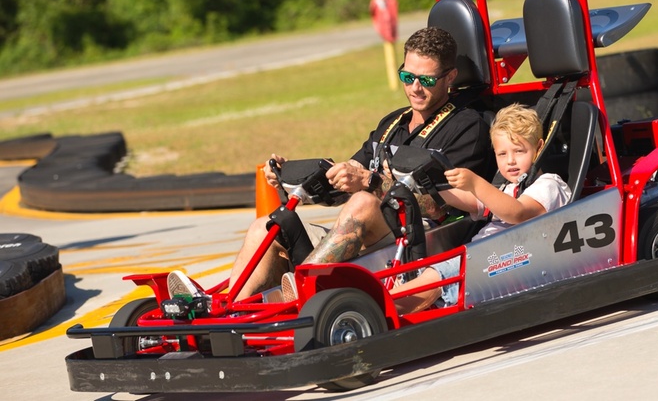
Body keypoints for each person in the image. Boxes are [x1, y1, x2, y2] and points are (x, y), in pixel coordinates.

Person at [168, 27, 494, 302]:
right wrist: (288, 178)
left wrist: (371, 183)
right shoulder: (392, 123)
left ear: (450, 77)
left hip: (420, 237)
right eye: (407, 77)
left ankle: (304, 291)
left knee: (364, 201)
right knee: (267, 226)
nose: (415, 88)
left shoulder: (467, 126)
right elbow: (344, 182)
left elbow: (445, 205)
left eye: (426, 80)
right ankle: (225, 308)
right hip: (366, 233)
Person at [390, 103, 571, 314]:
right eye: (502, 154)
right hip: (482, 261)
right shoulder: (507, 187)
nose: (510, 161)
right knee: (413, 270)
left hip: (509, 263)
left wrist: (476, 183)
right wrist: (426, 186)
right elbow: (469, 200)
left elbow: (517, 213)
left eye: (519, 151)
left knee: (438, 274)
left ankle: (379, 307)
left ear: (539, 147)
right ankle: (385, 303)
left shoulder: (549, 184)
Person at [369, 0, 400, 90]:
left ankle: (395, 84)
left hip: (391, 30)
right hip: (385, 31)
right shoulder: (377, 1)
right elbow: (374, 13)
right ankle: (393, 84)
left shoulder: (390, 0)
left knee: (392, 57)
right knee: (390, 58)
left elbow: (393, 13)